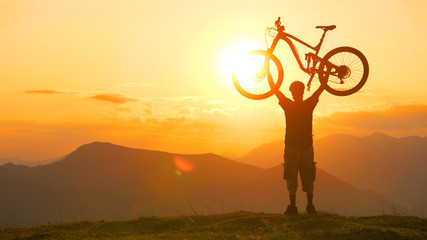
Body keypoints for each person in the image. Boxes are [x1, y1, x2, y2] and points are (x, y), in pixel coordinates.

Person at [275, 81, 324, 215]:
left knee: (291, 176)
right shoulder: (308, 104)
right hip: (307, 147)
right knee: (308, 176)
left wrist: (267, 69)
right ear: (303, 91)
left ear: (291, 92)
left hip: (291, 147)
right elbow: (320, 89)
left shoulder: (288, 105)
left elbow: (275, 90)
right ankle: (310, 205)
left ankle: (293, 206)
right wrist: (325, 75)